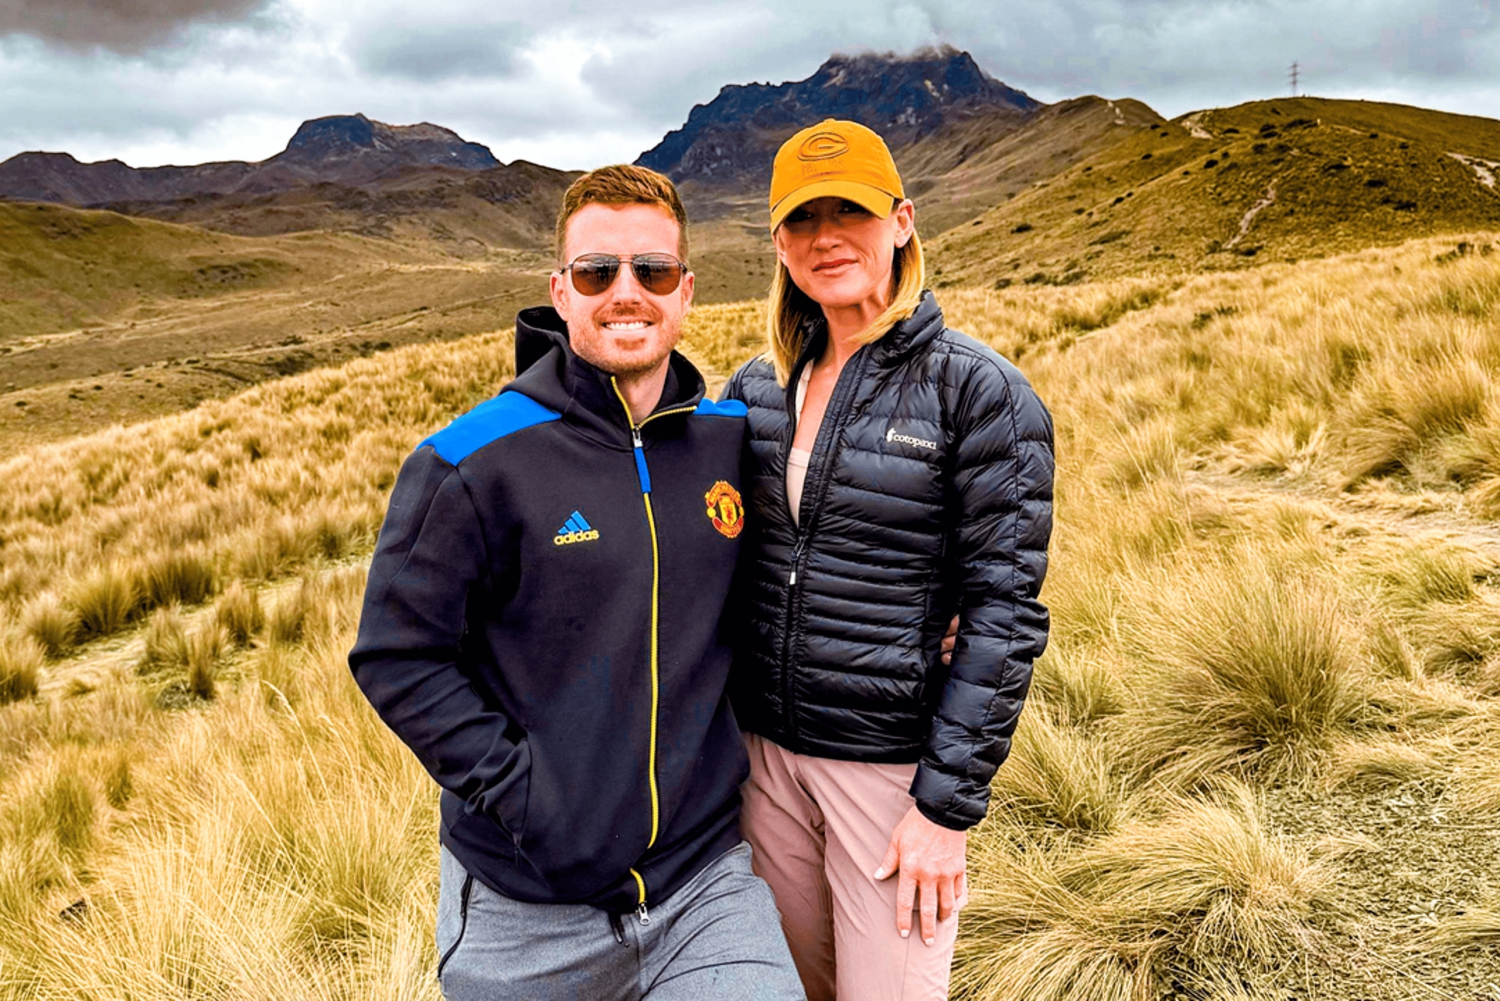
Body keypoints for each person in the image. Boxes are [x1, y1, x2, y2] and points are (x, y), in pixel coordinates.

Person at [349, 164, 805, 1001]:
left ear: (687, 291)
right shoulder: (470, 461)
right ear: (560, 292)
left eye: (652, 271)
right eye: (598, 272)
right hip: (527, 912)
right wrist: (529, 801)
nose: (626, 292)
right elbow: (395, 655)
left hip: (703, 887)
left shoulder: (727, 439)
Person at [720, 119, 1054, 1001]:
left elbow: (1004, 610)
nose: (828, 237)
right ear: (779, 244)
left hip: (888, 770)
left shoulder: (978, 392)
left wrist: (944, 810)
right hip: (764, 766)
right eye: (803, 218)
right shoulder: (752, 390)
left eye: (852, 211)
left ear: (902, 220)